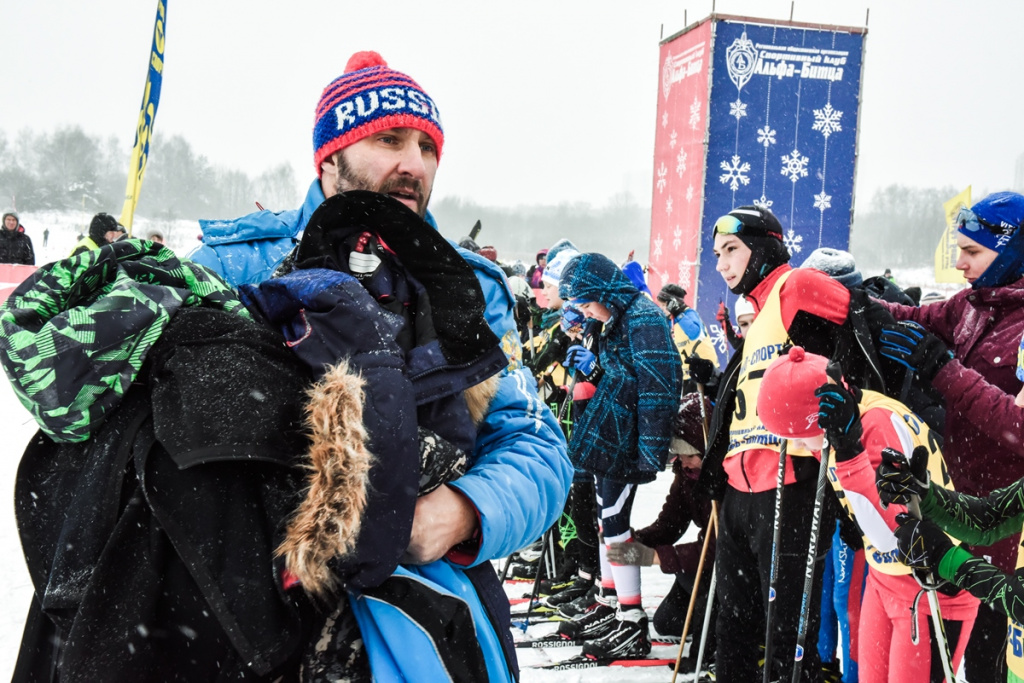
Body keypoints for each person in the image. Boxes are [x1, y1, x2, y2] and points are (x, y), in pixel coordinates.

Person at [6, 50, 572, 682]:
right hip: (238, 623)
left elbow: (538, 449)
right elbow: (113, 429)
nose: (414, 164)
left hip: (420, 622)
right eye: (389, 140)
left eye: (427, 147)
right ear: (330, 158)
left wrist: (462, 513)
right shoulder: (236, 265)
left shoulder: (466, 288)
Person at [698, 206, 867, 683]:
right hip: (740, 490)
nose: (722, 264)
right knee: (733, 631)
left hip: (789, 485)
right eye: (716, 254)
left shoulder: (795, 286)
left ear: (765, 246)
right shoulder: (757, 310)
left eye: (732, 249)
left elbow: (863, 331)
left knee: (786, 637)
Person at [757, 346, 978, 681]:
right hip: (885, 577)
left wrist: (849, 455)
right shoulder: (840, 423)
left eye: (798, 438)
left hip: (930, 583)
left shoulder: (873, 425)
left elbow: (892, 534)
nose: (798, 449)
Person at [876, 191, 1024, 681]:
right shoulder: (971, 306)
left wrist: (943, 369)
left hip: (1011, 538)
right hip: (974, 515)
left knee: (993, 662)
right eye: (958, 248)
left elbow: (1017, 429)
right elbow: (905, 323)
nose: (959, 262)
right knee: (959, 660)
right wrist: (843, 297)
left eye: (974, 251)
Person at [554, 252, 681, 660]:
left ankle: (631, 618)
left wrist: (650, 452)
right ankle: (612, 605)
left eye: (587, 301)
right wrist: (591, 371)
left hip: (625, 438)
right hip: (609, 433)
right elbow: (618, 376)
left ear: (604, 291)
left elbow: (657, 388)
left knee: (615, 524)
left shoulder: (643, 318)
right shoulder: (615, 318)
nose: (586, 311)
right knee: (604, 520)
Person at [606, 391, 716, 667]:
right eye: (677, 454)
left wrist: (654, 557)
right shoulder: (688, 474)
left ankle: (730, 631)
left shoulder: (723, 478)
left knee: (709, 612)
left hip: (726, 571)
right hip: (702, 566)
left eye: (688, 454)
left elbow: (716, 549)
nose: (682, 461)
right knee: (669, 624)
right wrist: (636, 540)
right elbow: (670, 523)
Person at [656, 283, 719, 392]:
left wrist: (678, 313)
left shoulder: (689, 314)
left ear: (673, 303)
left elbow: (695, 334)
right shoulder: (671, 320)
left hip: (706, 372)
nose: (661, 308)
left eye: (664, 305)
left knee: (706, 407)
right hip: (688, 375)